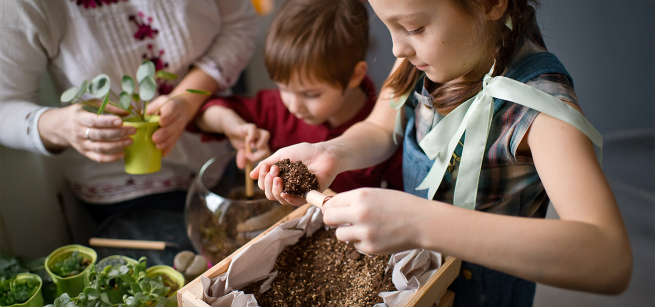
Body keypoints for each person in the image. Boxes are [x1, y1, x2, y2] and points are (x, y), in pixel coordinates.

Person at [252, 0, 633, 305]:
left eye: (414, 27)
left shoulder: (540, 108)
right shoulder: (420, 58)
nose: (397, 47)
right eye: (389, 26)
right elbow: (381, 127)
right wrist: (331, 151)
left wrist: (421, 224)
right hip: (415, 280)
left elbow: (609, 259)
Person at [0, 0, 258, 221]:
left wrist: (185, 102)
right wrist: (62, 128)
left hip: (217, 155)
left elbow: (239, 24)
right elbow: (5, 105)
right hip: (120, 189)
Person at [193, 0, 403, 193]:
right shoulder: (275, 108)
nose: (293, 106)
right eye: (284, 88)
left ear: (355, 75)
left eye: (311, 94)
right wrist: (229, 123)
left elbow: (400, 195)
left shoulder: (388, 127)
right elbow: (204, 112)